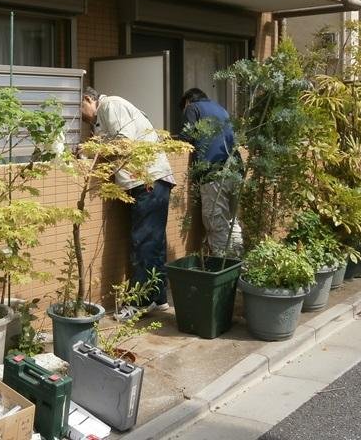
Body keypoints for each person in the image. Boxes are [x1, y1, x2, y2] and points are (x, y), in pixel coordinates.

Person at [80, 86, 174, 321]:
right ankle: (158, 297)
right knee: (153, 242)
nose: (80, 118)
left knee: (143, 242)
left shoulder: (111, 104)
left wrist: (91, 150)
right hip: (151, 180)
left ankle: (138, 303)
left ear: (88, 99)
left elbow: (123, 143)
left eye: (79, 109)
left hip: (148, 179)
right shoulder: (104, 116)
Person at [179, 87, 242, 256]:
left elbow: (186, 136)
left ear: (188, 101)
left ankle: (224, 269)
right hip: (234, 170)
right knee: (232, 220)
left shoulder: (193, 107)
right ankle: (238, 263)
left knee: (216, 222)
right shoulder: (221, 109)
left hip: (213, 172)